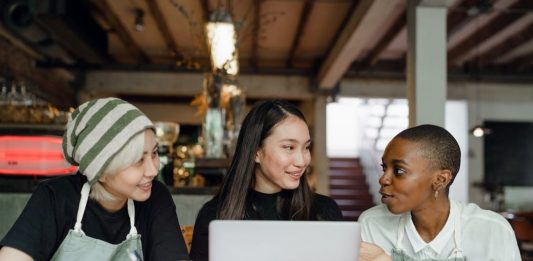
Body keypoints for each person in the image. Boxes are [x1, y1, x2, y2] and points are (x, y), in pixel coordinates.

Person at [0, 97, 190, 261]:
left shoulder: (155, 198)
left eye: (154, 153)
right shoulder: (55, 198)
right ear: (101, 171)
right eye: (139, 160)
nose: (152, 169)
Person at [189, 100, 343, 261]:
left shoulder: (325, 211)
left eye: (306, 147)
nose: (302, 160)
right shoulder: (215, 215)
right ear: (256, 152)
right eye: (289, 147)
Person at [358, 124, 521, 261]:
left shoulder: (492, 230)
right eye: (384, 168)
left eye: (399, 170)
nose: (383, 179)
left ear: (441, 180)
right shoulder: (372, 224)